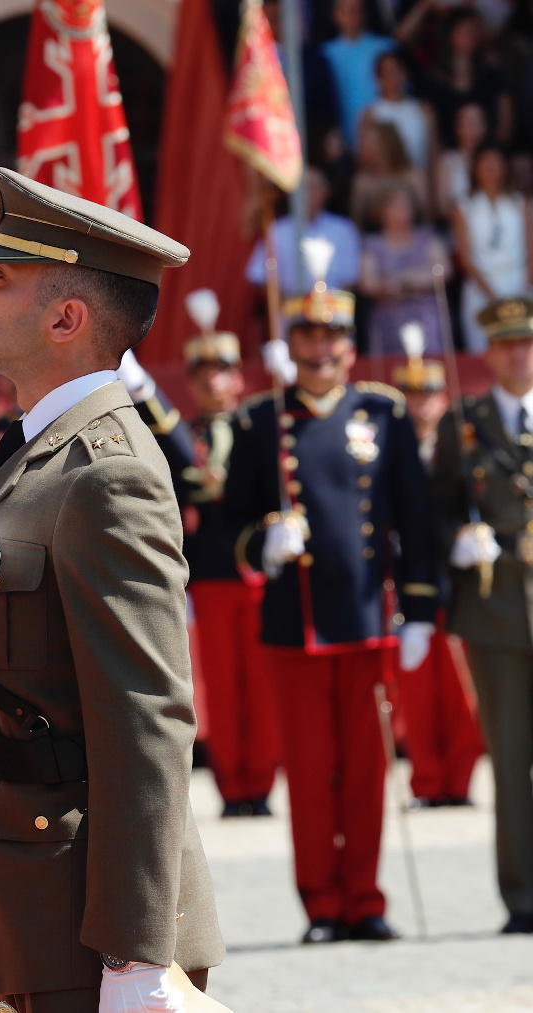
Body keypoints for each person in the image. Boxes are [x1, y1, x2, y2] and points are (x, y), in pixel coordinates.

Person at [0, 166, 224, 1011]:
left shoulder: (108, 470)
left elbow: (147, 717)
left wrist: (136, 952)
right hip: (33, 881)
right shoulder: (38, 446)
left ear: (66, 319)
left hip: (94, 908)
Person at [224, 240, 438, 945]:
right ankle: (321, 903)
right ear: (292, 344)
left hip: (369, 619)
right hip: (297, 625)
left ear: (351, 345)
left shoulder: (384, 415)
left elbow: (414, 519)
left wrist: (419, 609)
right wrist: (265, 542)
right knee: (311, 773)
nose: (322, 350)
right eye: (309, 336)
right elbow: (227, 526)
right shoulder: (260, 423)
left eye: (334, 336)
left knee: (369, 772)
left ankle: (365, 899)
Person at [430, 296, 533, 934]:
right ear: (489, 354)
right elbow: (437, 506)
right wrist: (457, 541)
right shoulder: (463, 424)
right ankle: (523, 896)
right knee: (512, 760)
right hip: (496, 611)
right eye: (506, 345)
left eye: (525, 343)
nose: (518, 354)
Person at [174, 294, 282, 819]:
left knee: (261, 684)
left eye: (223, 371)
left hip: (256, 571)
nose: (214, 382)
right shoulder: (183, 436)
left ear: (239, 378)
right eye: (203, 374)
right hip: (211, 573)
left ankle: (260, 782)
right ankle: (232, 785)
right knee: (218, 684)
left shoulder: (258, 429)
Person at [389, 353, 485, 809]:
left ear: (444, 397)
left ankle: (459, 782)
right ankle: (427, 782)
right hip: (409, 584)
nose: (421, 404)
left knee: (462, 690)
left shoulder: (461, 446)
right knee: (418, 694)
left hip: (456, 582)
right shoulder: (389, 447)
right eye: (411, 395)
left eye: (428, 394)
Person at [452, 144, 533, 351]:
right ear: (475, 167)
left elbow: (530, 248)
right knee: (481, 350)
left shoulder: (519, 201)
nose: (491, 168)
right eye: (486, 163)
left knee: (522, 349)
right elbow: (465, 256)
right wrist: (492, 296)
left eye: (497, 163)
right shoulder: (464, 205)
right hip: (480, 288)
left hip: (519, 284)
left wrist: (523, 290)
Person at [359, 185, 450, 356]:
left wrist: (400, 281)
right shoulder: (372, 244)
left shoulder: (427, 237)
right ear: (381, 211)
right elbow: (369, 284)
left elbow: (442, 271)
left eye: (406, 206)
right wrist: (418, 281)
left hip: (427, 320)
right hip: (387, 322)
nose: (401, 211)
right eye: (395, 206)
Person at [246, 168, 361, 300]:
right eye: (304, 189)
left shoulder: (343, 229)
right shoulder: (276, 231)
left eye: (314, 188)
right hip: (290, 309)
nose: (309, 194)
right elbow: (261, 276)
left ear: (326, 191)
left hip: (333, 309)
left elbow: (350, 278)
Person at [418, 9, 513, 150]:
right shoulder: (431, 80)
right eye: (464, 30)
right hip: (448, 158)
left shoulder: (493, 77)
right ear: (449, 34)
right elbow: (430, 133)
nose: (470, 36)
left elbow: (505, 126)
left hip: (490, 156)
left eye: (474, 30)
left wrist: (491, 156)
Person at [320, 0, 398, 150]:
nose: (352, 16)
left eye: (357, 10)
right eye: (347, 10)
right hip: (341, 141)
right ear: (335, 15)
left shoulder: (385, 47)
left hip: (381, 138)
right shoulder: (325, 54)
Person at [360, 52, 436, 172]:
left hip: (418, 177)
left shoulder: (423, 110)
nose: (393, 77)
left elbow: (433, 153)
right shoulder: (369, 114)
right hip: (385, 179)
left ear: (404, 74)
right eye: (387, 72)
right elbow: (364, 158)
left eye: (396, 71)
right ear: (378, 79)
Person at [350, 120, 430, 229]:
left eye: (366, 144)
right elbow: (356, 225)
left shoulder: (414, 177)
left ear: (386, 145)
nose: (360, 150)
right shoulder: (362, 181)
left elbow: (427, 219)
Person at [435, 102, 490, 222]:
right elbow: (442, 207)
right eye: (470, 123)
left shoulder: (494, 159)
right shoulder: (447, 161)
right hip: (455, 225)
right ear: (457, 127)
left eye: (479, 122)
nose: (475, 128)